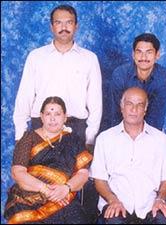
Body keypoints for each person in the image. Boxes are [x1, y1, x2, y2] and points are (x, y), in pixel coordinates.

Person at [13, 4, 102, 223]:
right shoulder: (36, 56)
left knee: (79, 187)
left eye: (68, 22)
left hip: (77, 128)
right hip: (40, 127)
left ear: (76, 26)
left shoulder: (89, 58)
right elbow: (24, 96)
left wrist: (89, 139)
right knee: (37, 186)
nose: (64, 27)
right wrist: (20, 135)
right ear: (51, 26)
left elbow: (96, 102)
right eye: (58, 22)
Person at [90, 87, 166, 224]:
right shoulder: (105, 139)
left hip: (151, 205)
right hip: (116, 204)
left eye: (140, 105)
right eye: (129, 104)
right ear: (121, 108)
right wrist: (112, 200)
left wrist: (160, 200)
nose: (134, 109)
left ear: (145, 109)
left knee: (165, 221)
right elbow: (99, 180)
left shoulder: (162, 140)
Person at [4, 96, 93, 224]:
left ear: (65, 117)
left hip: (63, 197)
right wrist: (45, 189)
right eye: (48, 114)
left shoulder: (74, 140)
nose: (52, 118)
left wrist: (66, 188)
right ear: (41, 116)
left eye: (57, 114)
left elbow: (83, 174)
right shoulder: (28, 138)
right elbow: (17, 172)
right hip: (28, 198)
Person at [111, 33, 166, 130]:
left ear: (157, 55)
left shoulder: (164, 77)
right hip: (123, 128)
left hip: (150, 130)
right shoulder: (120, 74)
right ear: (133, 54)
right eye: (139, 52)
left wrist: (146, 140)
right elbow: (116, 113)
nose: (143, 57)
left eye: (149, 52)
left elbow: (156, 116)